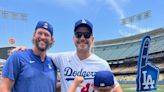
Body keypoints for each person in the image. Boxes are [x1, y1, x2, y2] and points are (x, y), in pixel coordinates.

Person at [10, 19, 123, 92]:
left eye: (86, 35)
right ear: (74, 39)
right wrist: (26, 50)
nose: (82, 38)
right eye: (78, 35)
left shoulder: (102, 64)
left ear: (92, 39)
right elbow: (40, 52)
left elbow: (116, 87)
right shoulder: (61, 58)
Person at [0, 21, 57, 92]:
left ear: (51, 40)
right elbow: (4, 88)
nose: (42, 37)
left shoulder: (53, 63)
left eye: (46, 35)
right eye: (40, 33)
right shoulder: (18, 57)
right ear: (34, 35)